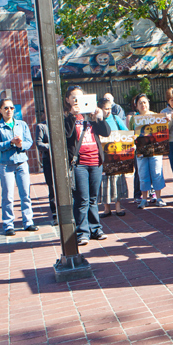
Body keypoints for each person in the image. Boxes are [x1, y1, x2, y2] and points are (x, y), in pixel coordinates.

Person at [64, 86, 111, 244]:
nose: (77, 101)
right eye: (74, 98)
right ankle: (82, 232)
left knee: (93, 198)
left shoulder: (89, 116)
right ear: (67, 100)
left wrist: (99, 117)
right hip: (79, 164)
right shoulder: (66, 117)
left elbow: (106, 132)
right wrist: (71, 115)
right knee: (82, 199)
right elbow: (66, 134)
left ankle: (96, 229)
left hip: (95, 162)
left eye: (80, 97)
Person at [0, 98, 37, 236]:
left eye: (11, 108)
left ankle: (28, 222)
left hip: (22, 162)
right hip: (6, 165)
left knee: (26, 194)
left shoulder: (21, 125)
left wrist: (21, 145)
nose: (9, 110)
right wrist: (10, 143)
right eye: (5, 108)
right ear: (0, 110)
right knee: (8, 196)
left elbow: (29, 142)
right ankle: (8, 224)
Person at [131, 93, 166, 208]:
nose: (143, 105)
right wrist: (132, 137)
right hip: (141, 150)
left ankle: (159, 198)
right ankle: (144, 199)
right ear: (136, 106)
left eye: (145, 102)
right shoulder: (134, 119)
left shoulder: (156, 116)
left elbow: (164, 130)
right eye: (140, 103)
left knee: (157, 172)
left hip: (155, 149)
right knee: (143, 174)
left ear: (148, 104)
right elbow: (130, 132)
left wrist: (168, 120)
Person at [99, 96, 129, 217]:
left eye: (109, 108)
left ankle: (118, 208)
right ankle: (106, 209)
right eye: (106, 109)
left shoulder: (116, 119)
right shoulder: (96, 121)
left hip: (116, 156)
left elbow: (126, 132)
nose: (108, 111)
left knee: (117, 181)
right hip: (103, 157)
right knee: (104, 183)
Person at [34, 120, 57, 219]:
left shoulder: (61, 122)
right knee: (52, 187)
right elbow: (39, 144)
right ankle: (55, 213)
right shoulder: (41, 126)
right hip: (48, 159)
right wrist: (53, 146)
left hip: (62, 159)